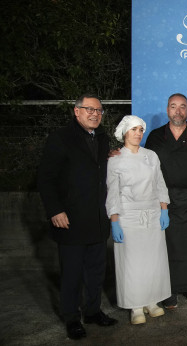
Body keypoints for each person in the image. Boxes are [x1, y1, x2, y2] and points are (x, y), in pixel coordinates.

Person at [37, 94, 117, 340]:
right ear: (76, 111)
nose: (95, 114)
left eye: (99, 111)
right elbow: (46, 178)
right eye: (89, 109)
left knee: (95, 271)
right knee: (72, 274)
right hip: (69, 219)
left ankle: (92, 312)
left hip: (97, 219)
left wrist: (112, 157)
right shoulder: (60, 138)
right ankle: (72, 318)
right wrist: (54, 210)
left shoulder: (103, 139)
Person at [145, 93, 187, 308]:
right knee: (168, 245)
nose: (178, 111)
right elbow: (143, 162)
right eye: (173, 106)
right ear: (167, 110)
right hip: (164, 200)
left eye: (182, 107)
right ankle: (168, 289)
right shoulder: (155, 136)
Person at [106, 115, 171, 324]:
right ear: (124, 132)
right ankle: (135, 306)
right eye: (133, 129)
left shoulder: (151, 156)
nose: (138, 133)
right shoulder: (115, 159)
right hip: (128, 216)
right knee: (132, 263)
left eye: (140, 130)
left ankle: (152, 301)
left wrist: (164, 209)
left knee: (154, 261)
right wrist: (114, 220)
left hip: (152, 214)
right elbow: (112, 192)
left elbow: (160, 183)